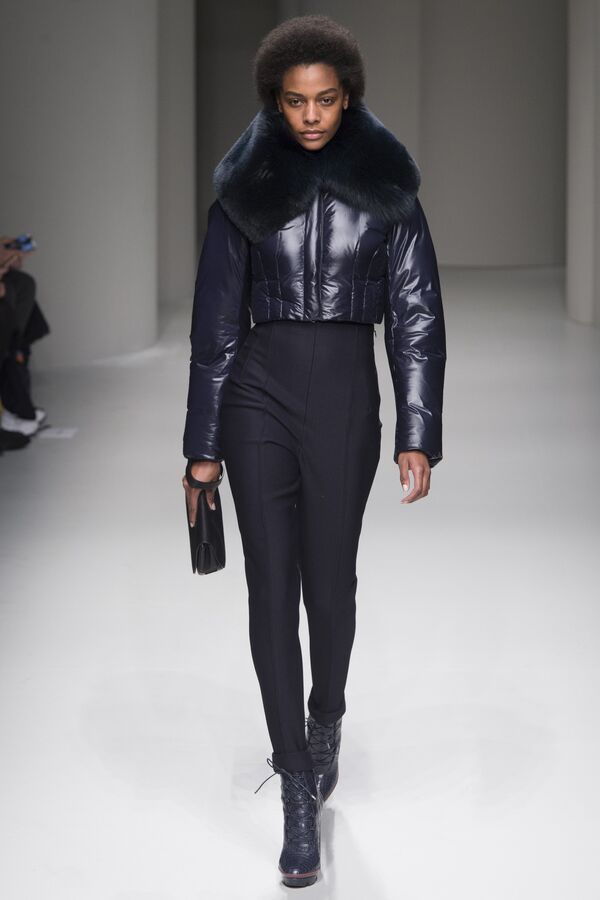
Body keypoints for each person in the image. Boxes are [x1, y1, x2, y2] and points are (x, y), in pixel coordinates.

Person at [182, 14, 446, 888]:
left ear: (349, 97)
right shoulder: (243, 191)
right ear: (274, 100)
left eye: (325, 100)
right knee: (271, 590)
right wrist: (202, 447)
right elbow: (215, 327)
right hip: (257, 393)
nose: (310, 116)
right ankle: (295, 779)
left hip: (344, 398)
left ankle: (324, 717)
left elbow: (416, 316)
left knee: (330, 587)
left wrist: (417, 431)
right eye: (295, 102)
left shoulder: (389, 191)